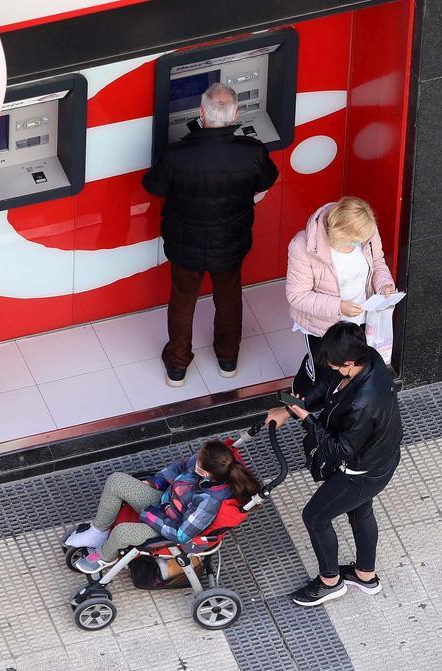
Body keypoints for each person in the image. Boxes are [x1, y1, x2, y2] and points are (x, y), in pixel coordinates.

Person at [142, 82, 279, 387]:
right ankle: (228, 359)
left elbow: (153, 186)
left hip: (184, 241)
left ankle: (177, 365)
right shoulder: (252, 152)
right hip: (230, 240)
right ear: (236, 115)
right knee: (228, 296)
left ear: (201, 112)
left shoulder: (177, 155)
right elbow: (267, 179)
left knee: (182, 299)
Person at [265, 321, 403, 606]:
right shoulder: (368, 358)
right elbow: (328, 385)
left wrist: (305, 418)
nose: (330, 367)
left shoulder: (365, 402)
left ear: (350, 362)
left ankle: (330, 582)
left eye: (335, 363)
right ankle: (365, 575)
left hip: (361, 471)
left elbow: (338, 449)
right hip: (378, 460)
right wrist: (290, 407)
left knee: (315, 517)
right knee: (360, 511)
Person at [65, 441, 261, 574]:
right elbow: (178, 468)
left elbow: (181, 534)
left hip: (168, 526)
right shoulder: (205, 462)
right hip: (164, 502)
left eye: (198, 462)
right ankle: (98, 530)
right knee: (117, 481)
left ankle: (105, 556)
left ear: (207, 474)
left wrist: (149, 515)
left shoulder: (208, 501)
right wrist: (154, 483)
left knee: (123, 533)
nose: (195, 461)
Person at [285, 197, 396, 395]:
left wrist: (384, 284)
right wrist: (339, 306)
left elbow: (378, 263)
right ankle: (293, 405)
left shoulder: (366, 232)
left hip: (360, 318)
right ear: (337, 232)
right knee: (320, 372)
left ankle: (338, 406)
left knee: (349, 369)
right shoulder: (303, 245)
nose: (359, 244)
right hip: (323, 325)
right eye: (354, 241)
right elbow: (297, 296)